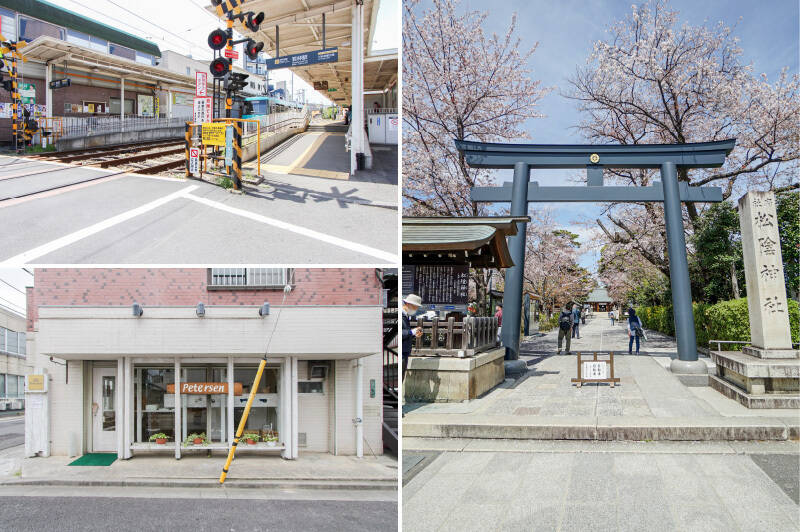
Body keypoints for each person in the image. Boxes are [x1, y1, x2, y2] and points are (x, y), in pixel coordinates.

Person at [402, 294, 424, 380]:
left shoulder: (405, 316)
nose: (416, 309)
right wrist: (411, 332)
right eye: (415, 307)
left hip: (405, 351)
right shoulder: (401, 315)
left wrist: (414, 334)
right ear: (409, 304)